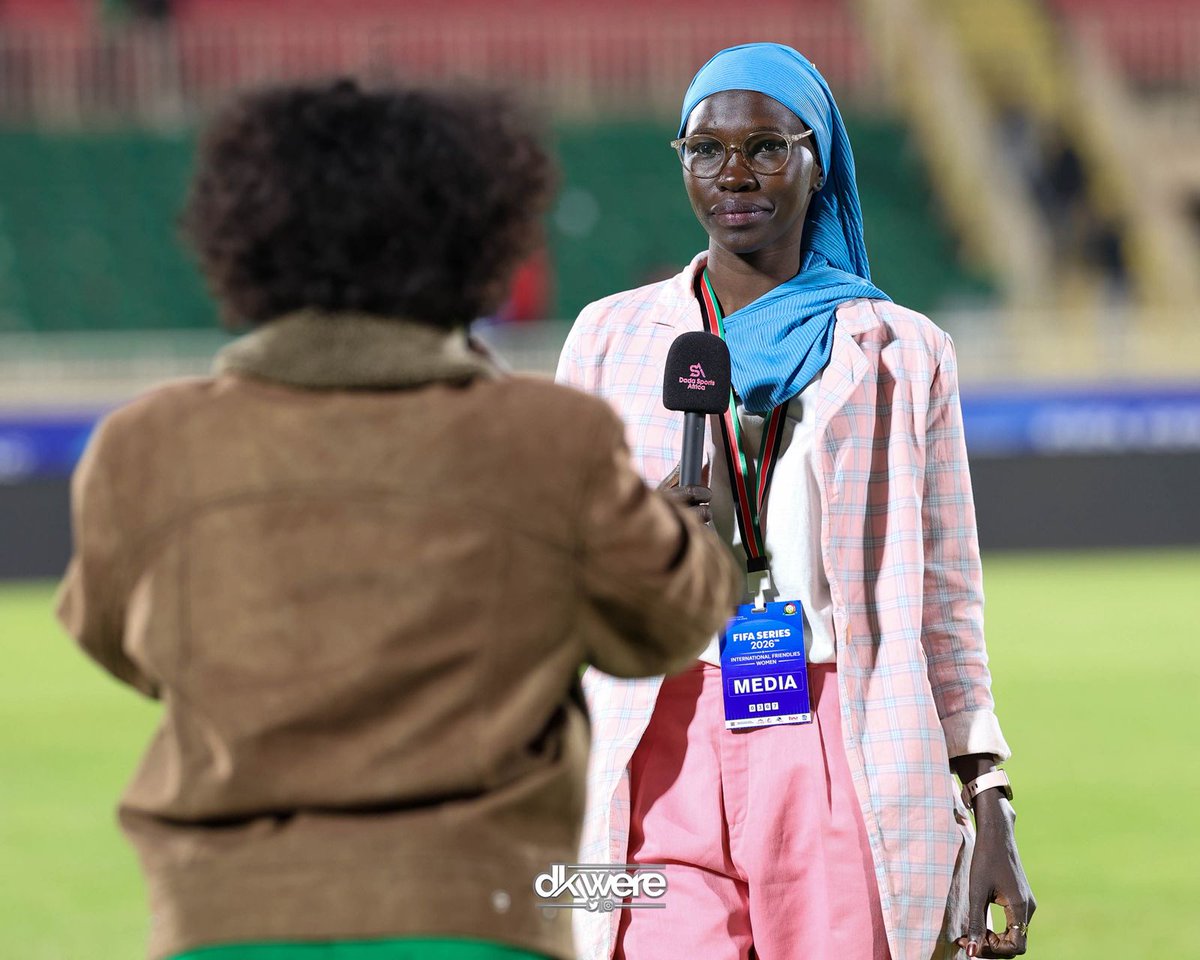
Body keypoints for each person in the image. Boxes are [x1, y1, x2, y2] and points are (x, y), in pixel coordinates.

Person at [56, 79, 740, 960]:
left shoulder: (145, 444)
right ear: (477, 239)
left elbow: (117, 639)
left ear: (244, 237)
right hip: (473, 917)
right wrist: (686, 535)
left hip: (223, 920)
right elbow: (663, 628)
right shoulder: (547, 438)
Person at [556, 43, 1036, 960]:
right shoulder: (611, 339)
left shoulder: (901, 352)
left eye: (767, 147)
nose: (732, 174)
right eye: (705, 148)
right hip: (653, 738)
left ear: (820, 162)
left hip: (837, 742)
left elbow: (945, 602)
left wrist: (990, 801)